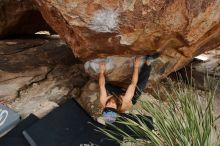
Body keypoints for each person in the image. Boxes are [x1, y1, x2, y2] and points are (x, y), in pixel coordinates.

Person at [99, 53, 160, 124]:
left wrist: (101, 71)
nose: (110, 103)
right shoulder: (125, 101)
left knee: (105, 85)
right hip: (130, 97)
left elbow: (101, 85)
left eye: (108, 106)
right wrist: (136, 66)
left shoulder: (103, 100)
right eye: (112, 106)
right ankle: (148, 62)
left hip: (117, 93)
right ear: (116, 109)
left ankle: (120, 89)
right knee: (140, 86)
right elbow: (133, 84)